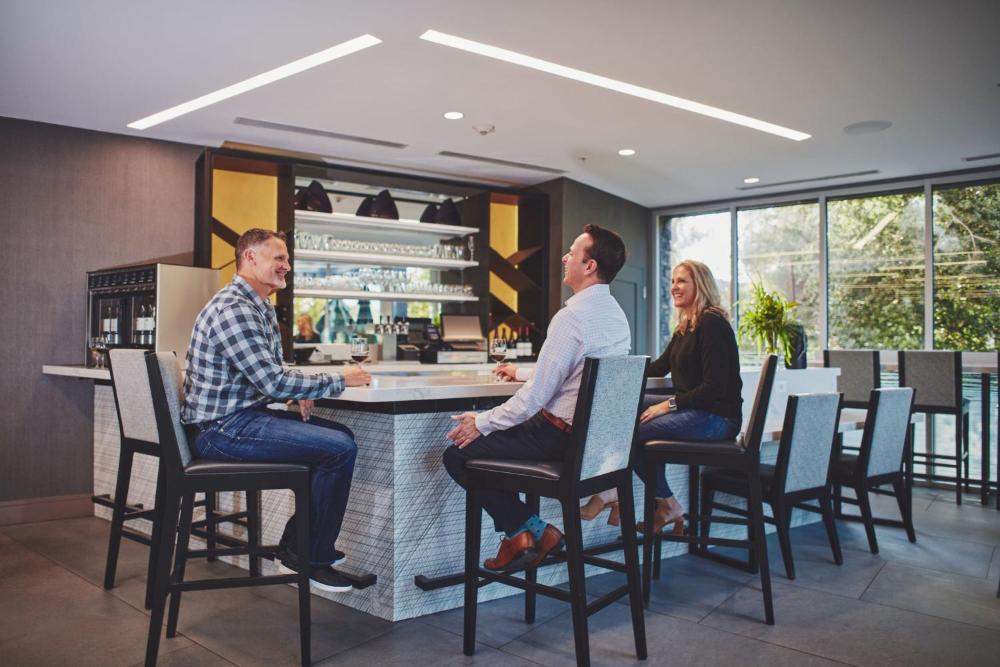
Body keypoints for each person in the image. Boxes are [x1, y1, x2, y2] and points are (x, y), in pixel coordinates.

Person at [181, 228, 371, 593]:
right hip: (220, 430)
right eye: (279, 258)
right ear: (250, 257)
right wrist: (340, 379)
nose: (287, 266)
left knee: (340, 436)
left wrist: (295, 391)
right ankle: (310, 557)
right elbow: (271, 381)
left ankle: (297, 548)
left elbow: (273, 371)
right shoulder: (235, 310)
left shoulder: (259, 305)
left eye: (287, 258)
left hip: (237, 419)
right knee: (338, 448)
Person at [443, 224, 631, 572]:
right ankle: (529, 533)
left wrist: (481, 422)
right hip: (594, 444)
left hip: (557, 438)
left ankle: (528, 532)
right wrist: (522, 372)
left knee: (457, 455)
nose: (564, 258)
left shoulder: (572, 318)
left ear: (589, 265)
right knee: (481, 445)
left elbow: (534, 399)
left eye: (572, 253)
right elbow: (575, 375)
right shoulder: (616, 317)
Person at [580, 259, 742, 534]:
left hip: (717, 417)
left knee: (632, 429)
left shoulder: (712, 323)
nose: (674, 287)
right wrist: (610, 368)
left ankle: (611, 490)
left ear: (700, 285)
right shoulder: (686, 326)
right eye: (673, 281)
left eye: (682, 281)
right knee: (621, 407)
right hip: (695, 410)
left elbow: (714, 388)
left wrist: (668, 405)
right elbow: (657, 367)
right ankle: (666, 504)